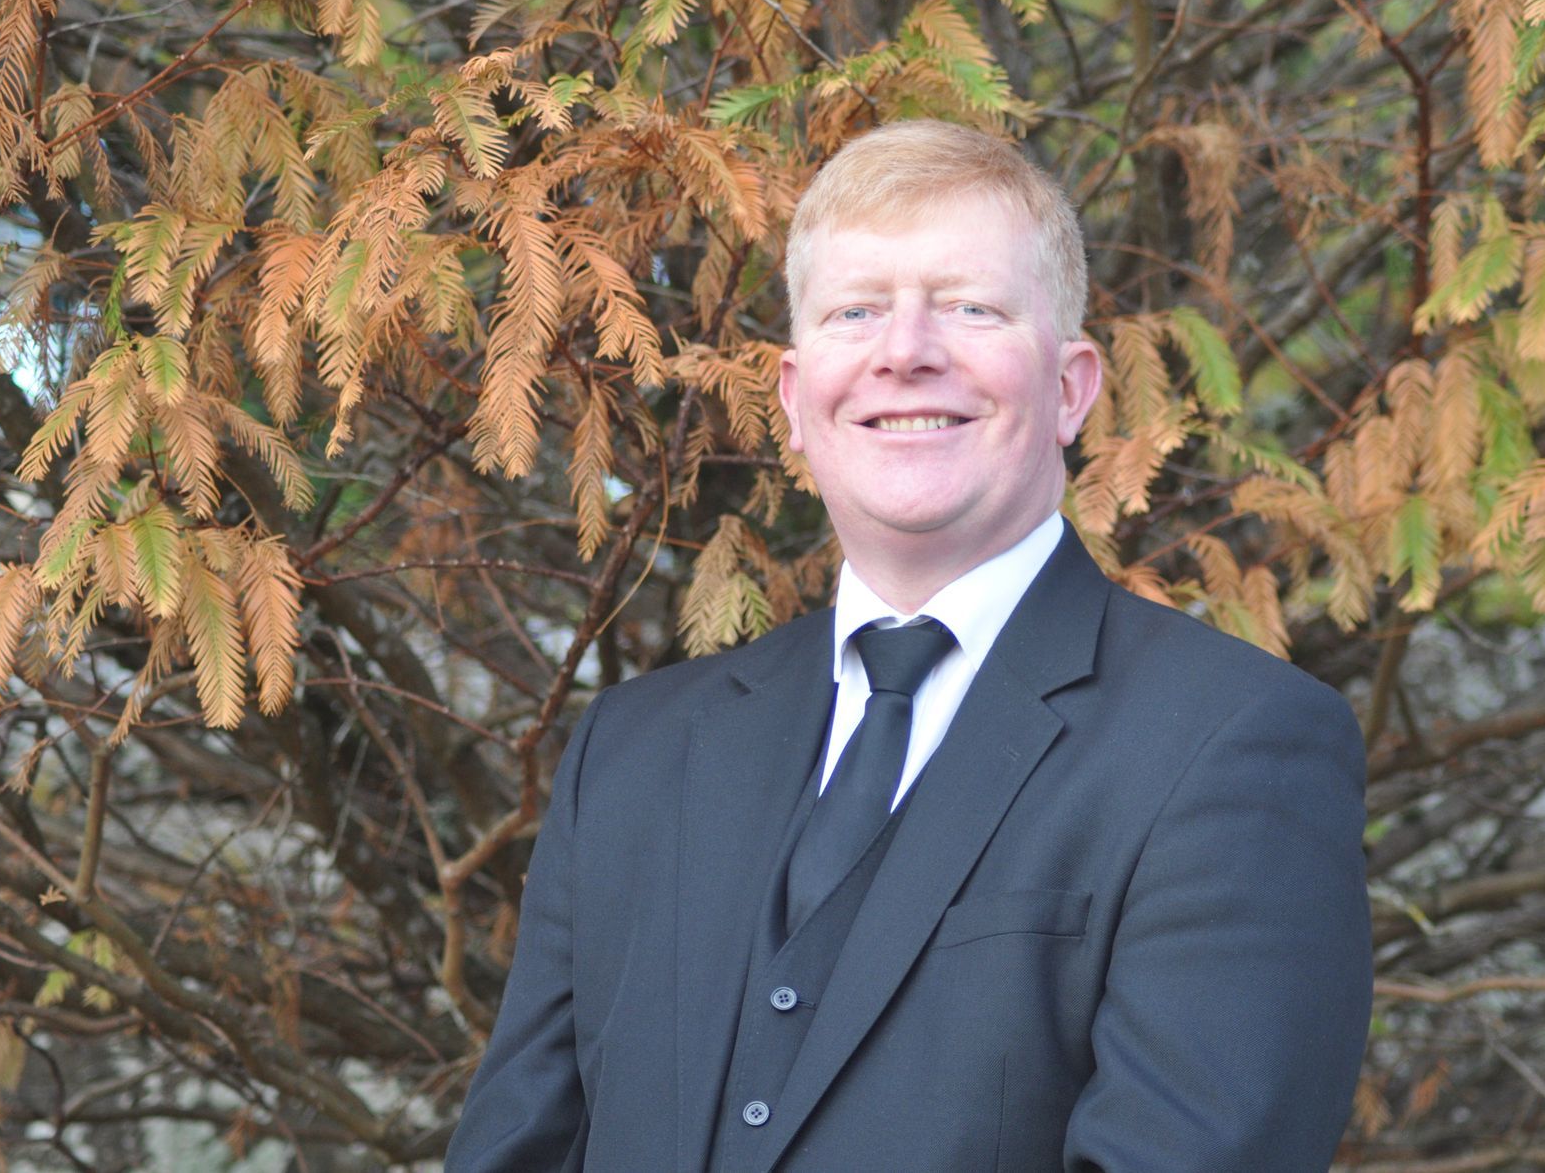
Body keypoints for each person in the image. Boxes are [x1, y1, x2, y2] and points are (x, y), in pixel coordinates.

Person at [445, 120, 1371, 1172]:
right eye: (857, 312)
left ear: (1071, 388)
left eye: (970, 308)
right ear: (795, 400)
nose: (905, 351)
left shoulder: (1231, 745)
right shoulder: (636, 752)